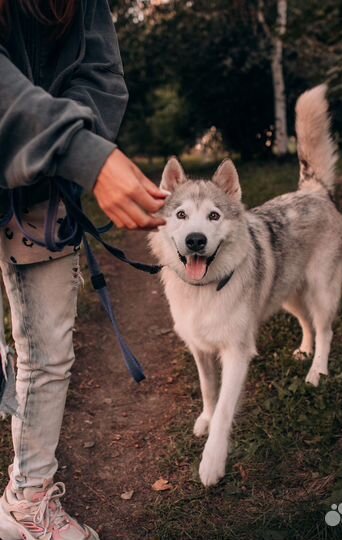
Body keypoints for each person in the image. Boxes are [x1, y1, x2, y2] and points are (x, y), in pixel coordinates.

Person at [0, 1, 166, 538]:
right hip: (55, 157)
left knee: (48, 351)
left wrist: (67, 153)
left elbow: (101, 72)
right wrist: (77, 148)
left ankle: (28, 501)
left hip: (42, 189)